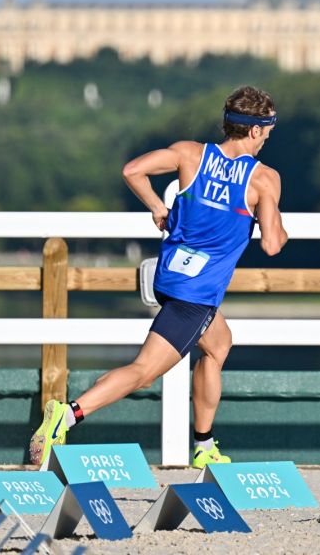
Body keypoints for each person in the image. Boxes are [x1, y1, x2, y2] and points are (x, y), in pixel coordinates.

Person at [29, 85, 288, 468]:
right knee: (144, 372)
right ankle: (66, 415)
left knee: (218, 344)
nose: (267, 138)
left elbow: (132, 170)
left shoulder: (190, 154)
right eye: (267, 130)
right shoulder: (264, 179)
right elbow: (271, 244)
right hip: (195, 294)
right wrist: (278, 223)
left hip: (169, 278)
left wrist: (158, 208)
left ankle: (203, 446)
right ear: (254, 131)